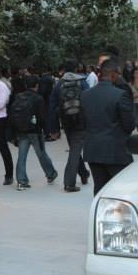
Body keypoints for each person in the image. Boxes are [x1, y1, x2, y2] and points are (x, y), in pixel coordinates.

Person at [81, 60, 136, 195]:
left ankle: (100, 214)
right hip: (116, 151)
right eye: (118, 74)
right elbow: (129, 125)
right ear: (113, 74)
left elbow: (82, 123)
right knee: (122, 190)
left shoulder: (85, 95)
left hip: (93, 150)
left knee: (100, 189)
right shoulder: (120, 95)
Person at [49, 60, 90, 192]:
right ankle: (69, 183)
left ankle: (83, 174)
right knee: (75, 150)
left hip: (66, 121)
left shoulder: (59, 84)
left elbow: (52, 106)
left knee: (74, 148)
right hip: (81, 120)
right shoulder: (83, 82)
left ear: (64, 70)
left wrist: (53, 128)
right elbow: (89, 101)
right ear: (77, 69)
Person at [10, 76, 58, 191]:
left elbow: (11, 114)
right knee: (41, 154)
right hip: (35, 131)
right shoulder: (38, 98)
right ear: (36, 86)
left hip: (21, 131)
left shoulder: (18, 97)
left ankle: (21, 181)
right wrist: (47, 131)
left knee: (21, 156)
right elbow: (42, 118)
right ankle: (50, 174)